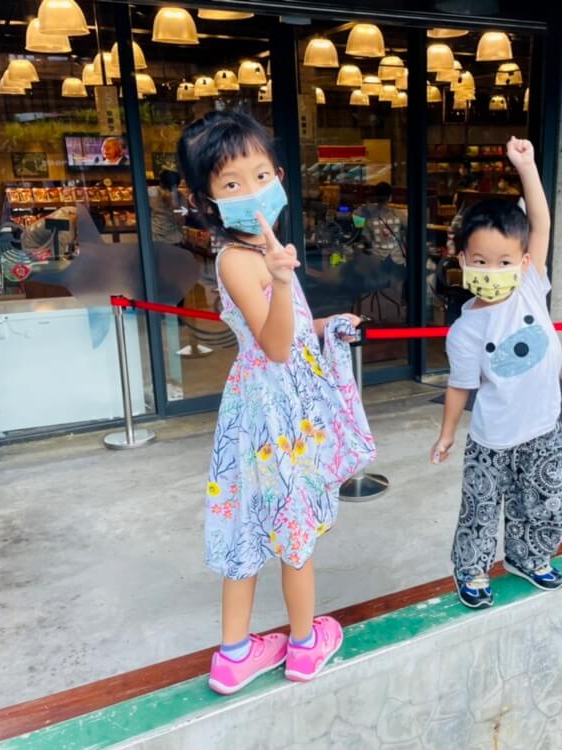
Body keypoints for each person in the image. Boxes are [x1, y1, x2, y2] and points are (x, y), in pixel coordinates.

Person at [177, 109, 375, 693]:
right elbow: (275, 345)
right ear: (210, 201)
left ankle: (237, 656)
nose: (252, 192)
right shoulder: (238, 259)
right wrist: (284, 282)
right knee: (288, 530)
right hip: (270, 414)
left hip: (272, 406)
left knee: (260, 525)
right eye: (231, 184)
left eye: (260, 175)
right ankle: (305, 645)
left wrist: (324, 321)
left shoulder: (265, 251)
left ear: (280, 175)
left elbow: (284, 328)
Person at [430, 136, 562, 609]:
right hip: (493, 440)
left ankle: (530, 558)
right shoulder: (466, 329)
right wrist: (447, 434)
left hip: (545, 428)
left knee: (543, 502)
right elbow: (459, 388)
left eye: (505, 261)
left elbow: (542, 223)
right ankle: (472, 569)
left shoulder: (530, 286)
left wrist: (526, 167)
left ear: (524, 262)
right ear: (463, 261)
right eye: (482, 261)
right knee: (481, 511)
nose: (494, 269)